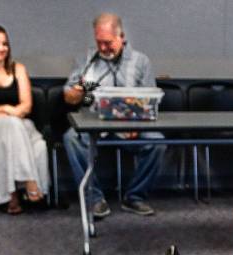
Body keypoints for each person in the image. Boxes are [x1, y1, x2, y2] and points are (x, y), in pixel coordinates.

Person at [62, 12, 164, 217]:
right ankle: (94, 199)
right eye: (99, 42)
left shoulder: (140, 61)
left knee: (157, 142)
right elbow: (70, 98)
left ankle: (135, 197)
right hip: (95, 123)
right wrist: (79, 89)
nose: (102, 48)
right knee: (71, 138)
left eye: (107, 43)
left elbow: (150, 99)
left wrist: (137, 124)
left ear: (121, 37)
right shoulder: (87, 60)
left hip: (131, 124)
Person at [0, 25, 49, 215]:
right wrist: (10, 111)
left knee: (39, 145)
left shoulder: (18, 69)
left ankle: (10, 195)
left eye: (4, 44)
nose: (1, 48)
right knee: (11, 124)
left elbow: (26, 106)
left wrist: (2, 110)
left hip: (23, 125)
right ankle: (30, 182)